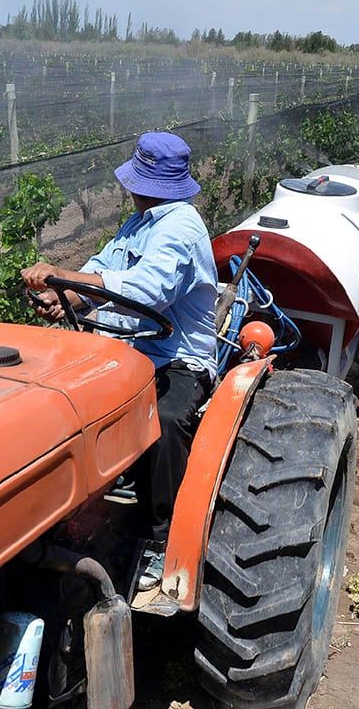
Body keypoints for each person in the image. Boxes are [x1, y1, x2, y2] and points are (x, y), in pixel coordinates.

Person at [21, 131, 217, 590]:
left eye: (136, 181)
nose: (130, 188)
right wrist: (65, 295)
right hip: (125, 347)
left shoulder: (182, 227)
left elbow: (147, 292)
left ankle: (160, 540)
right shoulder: (139, 222)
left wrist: (65, 275)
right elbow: (101, 265)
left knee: (164, 421)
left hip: (175, 359)